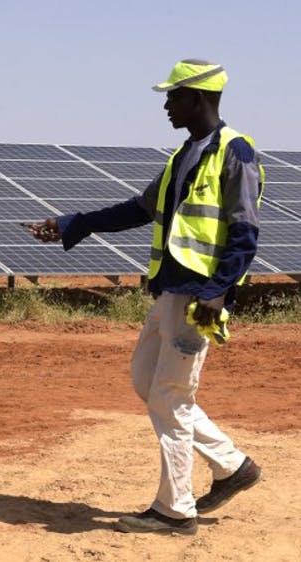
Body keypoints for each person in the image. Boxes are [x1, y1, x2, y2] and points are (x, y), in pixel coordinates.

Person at [27, 59, 264, 535]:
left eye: (173, 96)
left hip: (199, 297)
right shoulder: (183, 156)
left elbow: (245, 233)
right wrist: (74, 223)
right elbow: (139, 208)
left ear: (197, 98)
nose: (166, 105)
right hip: (169, 292)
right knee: (146, 383)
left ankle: (174, 511)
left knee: (170, 398)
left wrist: (219, 292)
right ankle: (232, 465)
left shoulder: (234, 151)